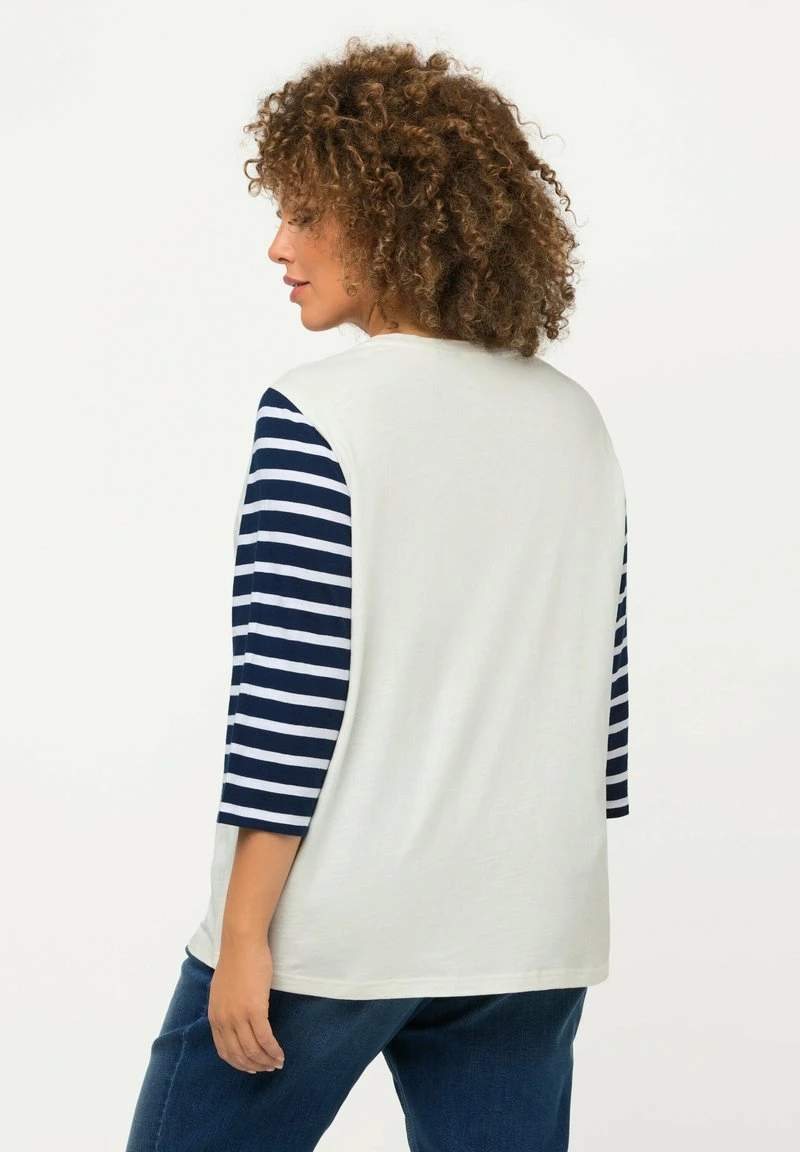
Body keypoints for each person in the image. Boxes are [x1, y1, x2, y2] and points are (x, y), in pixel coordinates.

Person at [124, 35, 629, 1152]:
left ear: (393, 222)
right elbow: (601, 705)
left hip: (334, 931)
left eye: (306, 214)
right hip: (528, 929)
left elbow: (288, 695)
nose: (278, 245)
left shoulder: (320, 414)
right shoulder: (575, 419)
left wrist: (242, 936)